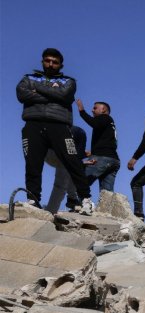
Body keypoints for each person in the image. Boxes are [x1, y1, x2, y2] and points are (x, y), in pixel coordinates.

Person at [16, 48, 93, 215]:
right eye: (47, 60)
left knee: (72, 160)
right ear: (42, 61)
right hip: (33, 124)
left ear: (61, 65)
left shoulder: (68, 81)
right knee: (32, 163)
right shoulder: (28, 78)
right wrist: (54, 95)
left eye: (55, 62)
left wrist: (37, 89)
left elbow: (65, 96)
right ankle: (33, 199)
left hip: (59, 125)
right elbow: (22, 95)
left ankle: (85, 199)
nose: (51, 64)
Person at [76, 99, 120, 193]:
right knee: (107, 194)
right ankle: (108, 208)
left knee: (81, 182)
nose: (92, 110)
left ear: (103, 110)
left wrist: (82, 111)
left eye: (95, 108)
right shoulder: (109, 123)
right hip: (113, 160)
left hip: (102, 158)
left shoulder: (105, 117)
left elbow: (94, 123)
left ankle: (79, 205)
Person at [44, 126, 86, 214]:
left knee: (70, 170)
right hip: (60, 154)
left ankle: (73, 200)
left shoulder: (57, 128)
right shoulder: (79, 132)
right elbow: (76, 156)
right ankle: (51, 211)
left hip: (46, 153)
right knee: (61, 184)